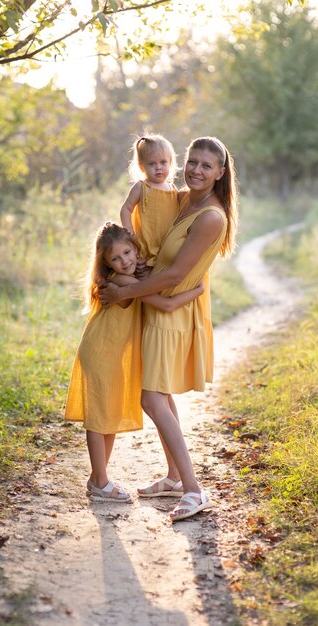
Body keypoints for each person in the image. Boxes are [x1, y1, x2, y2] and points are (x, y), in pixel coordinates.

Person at [99, 136, 238, 520]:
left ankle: (194, 489)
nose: (195, 170)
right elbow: (147, 226)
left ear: (220, 174)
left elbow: (177, 273)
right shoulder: (182, 200)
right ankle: (175, 477)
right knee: (161, 394)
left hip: (173, 312)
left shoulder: (211, 216)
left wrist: (123, 292)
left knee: (152, 398)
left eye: (206, 166)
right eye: (192, 162)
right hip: (158, 303)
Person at [64, 222, 205, 503]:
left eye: (128, 253)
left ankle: (98, 478)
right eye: (115, 259)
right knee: (99, 419)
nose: (124, 261)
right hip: (101, 352)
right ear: (106, 263)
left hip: (110, 353)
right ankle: (100, 482)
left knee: (109, 417)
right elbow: (165, 304)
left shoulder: (131, 279)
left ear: (135, 248)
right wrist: (197, 290)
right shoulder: (124, 282)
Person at [120, 133, 179, 270]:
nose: (158, 167)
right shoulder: (142, 187)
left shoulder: (173, 190)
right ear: (142, 167)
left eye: (163, 162)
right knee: (144, 274)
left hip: (166, 247)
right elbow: (126, 209)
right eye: (152, 163)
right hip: (145, 246)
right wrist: (129, 233)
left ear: (170, 163)